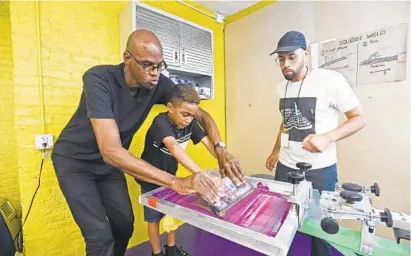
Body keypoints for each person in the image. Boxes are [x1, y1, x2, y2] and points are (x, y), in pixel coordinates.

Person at [51, 29, 244, 256]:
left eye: (159, 65)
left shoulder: (158, 84)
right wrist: (177, 182)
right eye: (147, 65)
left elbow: (202, 115)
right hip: (75, 163)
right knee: (99, 236)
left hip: (109, 166)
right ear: (127, 58)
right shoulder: (99, 79)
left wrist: (221, 150)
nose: (155, 73)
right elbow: (110, 149)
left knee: (124, 224)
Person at [265, 31, 365, 256]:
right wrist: (275, 150)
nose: (286, 64)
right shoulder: (281, 88)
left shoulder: (330, 80)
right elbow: (286, 122)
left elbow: (358, 118)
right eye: (281, 59)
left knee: (321, 229)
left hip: (320, 170)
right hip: (286, 166)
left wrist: (327, 137)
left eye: (292, 57)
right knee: (282, 223)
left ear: (306, 54)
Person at [138, 84, 218, 256]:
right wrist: (201, 174)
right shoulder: (160, 122)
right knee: (153, 218)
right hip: (151, 178)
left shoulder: (191, 124)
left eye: (192, 115)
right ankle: (156, 252)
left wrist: (224, 159)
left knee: (170, 212)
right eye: (184, 114)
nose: (188, 120)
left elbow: (208, 144)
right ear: (170, 107)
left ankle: (172, 249)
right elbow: (174, 147)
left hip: (171, 177)